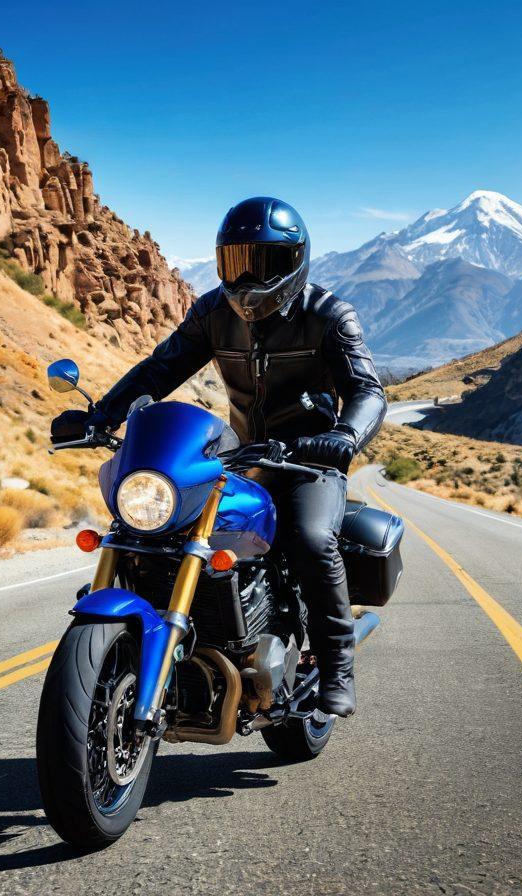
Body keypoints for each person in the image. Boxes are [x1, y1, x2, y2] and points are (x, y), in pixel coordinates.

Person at [59, 197, 386, 716]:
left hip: (307, 460)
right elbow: (160, 369)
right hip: (242, 454)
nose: (248, 277)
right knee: (164, 530)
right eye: (237, 262)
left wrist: (343, 435)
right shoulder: (213, 311)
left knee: (310, 538)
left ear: (295, 262)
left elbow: (367, 390)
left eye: (264, 262)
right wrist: (102, 415)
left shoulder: (328, 316)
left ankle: (336, 667)